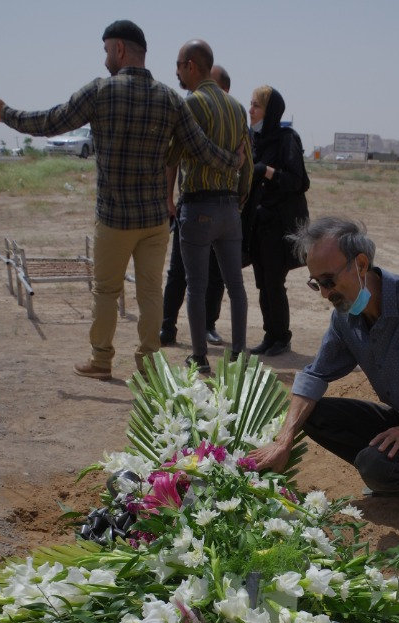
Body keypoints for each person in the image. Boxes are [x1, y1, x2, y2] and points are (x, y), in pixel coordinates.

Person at [0, 20, 242, 381]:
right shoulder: (170, 98)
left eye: (107, 50)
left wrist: (4, 113)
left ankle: (102, 360)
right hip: (154, 221)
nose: (105, 58)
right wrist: (235, 161)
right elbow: (202, 150)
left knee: (106, 290)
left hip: (115, 218)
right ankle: (149, 363)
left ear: (119, 49)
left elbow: (50, 121)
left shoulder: (100, 92)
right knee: (151, 291)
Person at [250, 216, 399, 525]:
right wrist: (284, 440)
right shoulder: (347, 316)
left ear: (361, 264)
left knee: (375, 467)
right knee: (315, 415)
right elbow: (315, 375)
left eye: (328, 281)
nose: (324, 293)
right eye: (316, 284)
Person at [170, 40, 252, 376]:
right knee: (236, 286)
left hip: (198, 205)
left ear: (191, 65)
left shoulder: (193, 103)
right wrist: (239, 200)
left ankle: (200, 357)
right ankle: (238, 356)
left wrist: (167, 197)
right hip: (230, 208)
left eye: (178, 65)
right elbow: (247, 163)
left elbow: (174, 153)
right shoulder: (237, 108)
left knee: (197, 285)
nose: (176, 71)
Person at [159, 63, 234, 351]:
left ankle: (208, 326)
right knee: (179, 271)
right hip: (190, 206)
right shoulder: (191, 111)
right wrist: (169, 199)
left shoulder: (232, 116)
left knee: (215, 274)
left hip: (221, 209)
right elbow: (172, 158)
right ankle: (168, 326)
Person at [246, 86, 309, 358]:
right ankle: (270, 335)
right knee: (262, 283)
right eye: (251, 105)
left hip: (278, 225)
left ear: (270, 111)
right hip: (258, 224)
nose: (251, 111)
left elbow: (299, 181)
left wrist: (268, 172)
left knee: (274, 282)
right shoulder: (253, 140)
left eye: (257, 106)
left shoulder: (286, 138)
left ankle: (281, 337)